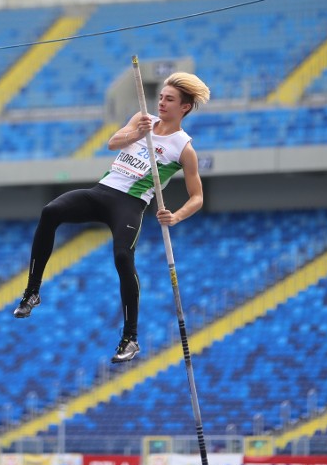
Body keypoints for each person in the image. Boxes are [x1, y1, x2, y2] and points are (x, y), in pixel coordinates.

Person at [13, 72, 210, 363]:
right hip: (102, 192)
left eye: (170, 99)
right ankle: (32, 293)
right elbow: (113, 142)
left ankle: (130, 339)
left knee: (122, 257)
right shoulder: (143, 120)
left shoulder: (184, 148)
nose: (162, 103)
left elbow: (198, 197)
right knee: (51, 211)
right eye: (161, 97)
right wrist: (137, 133)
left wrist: (176, 216)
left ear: (185, 107)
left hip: (129, 205)